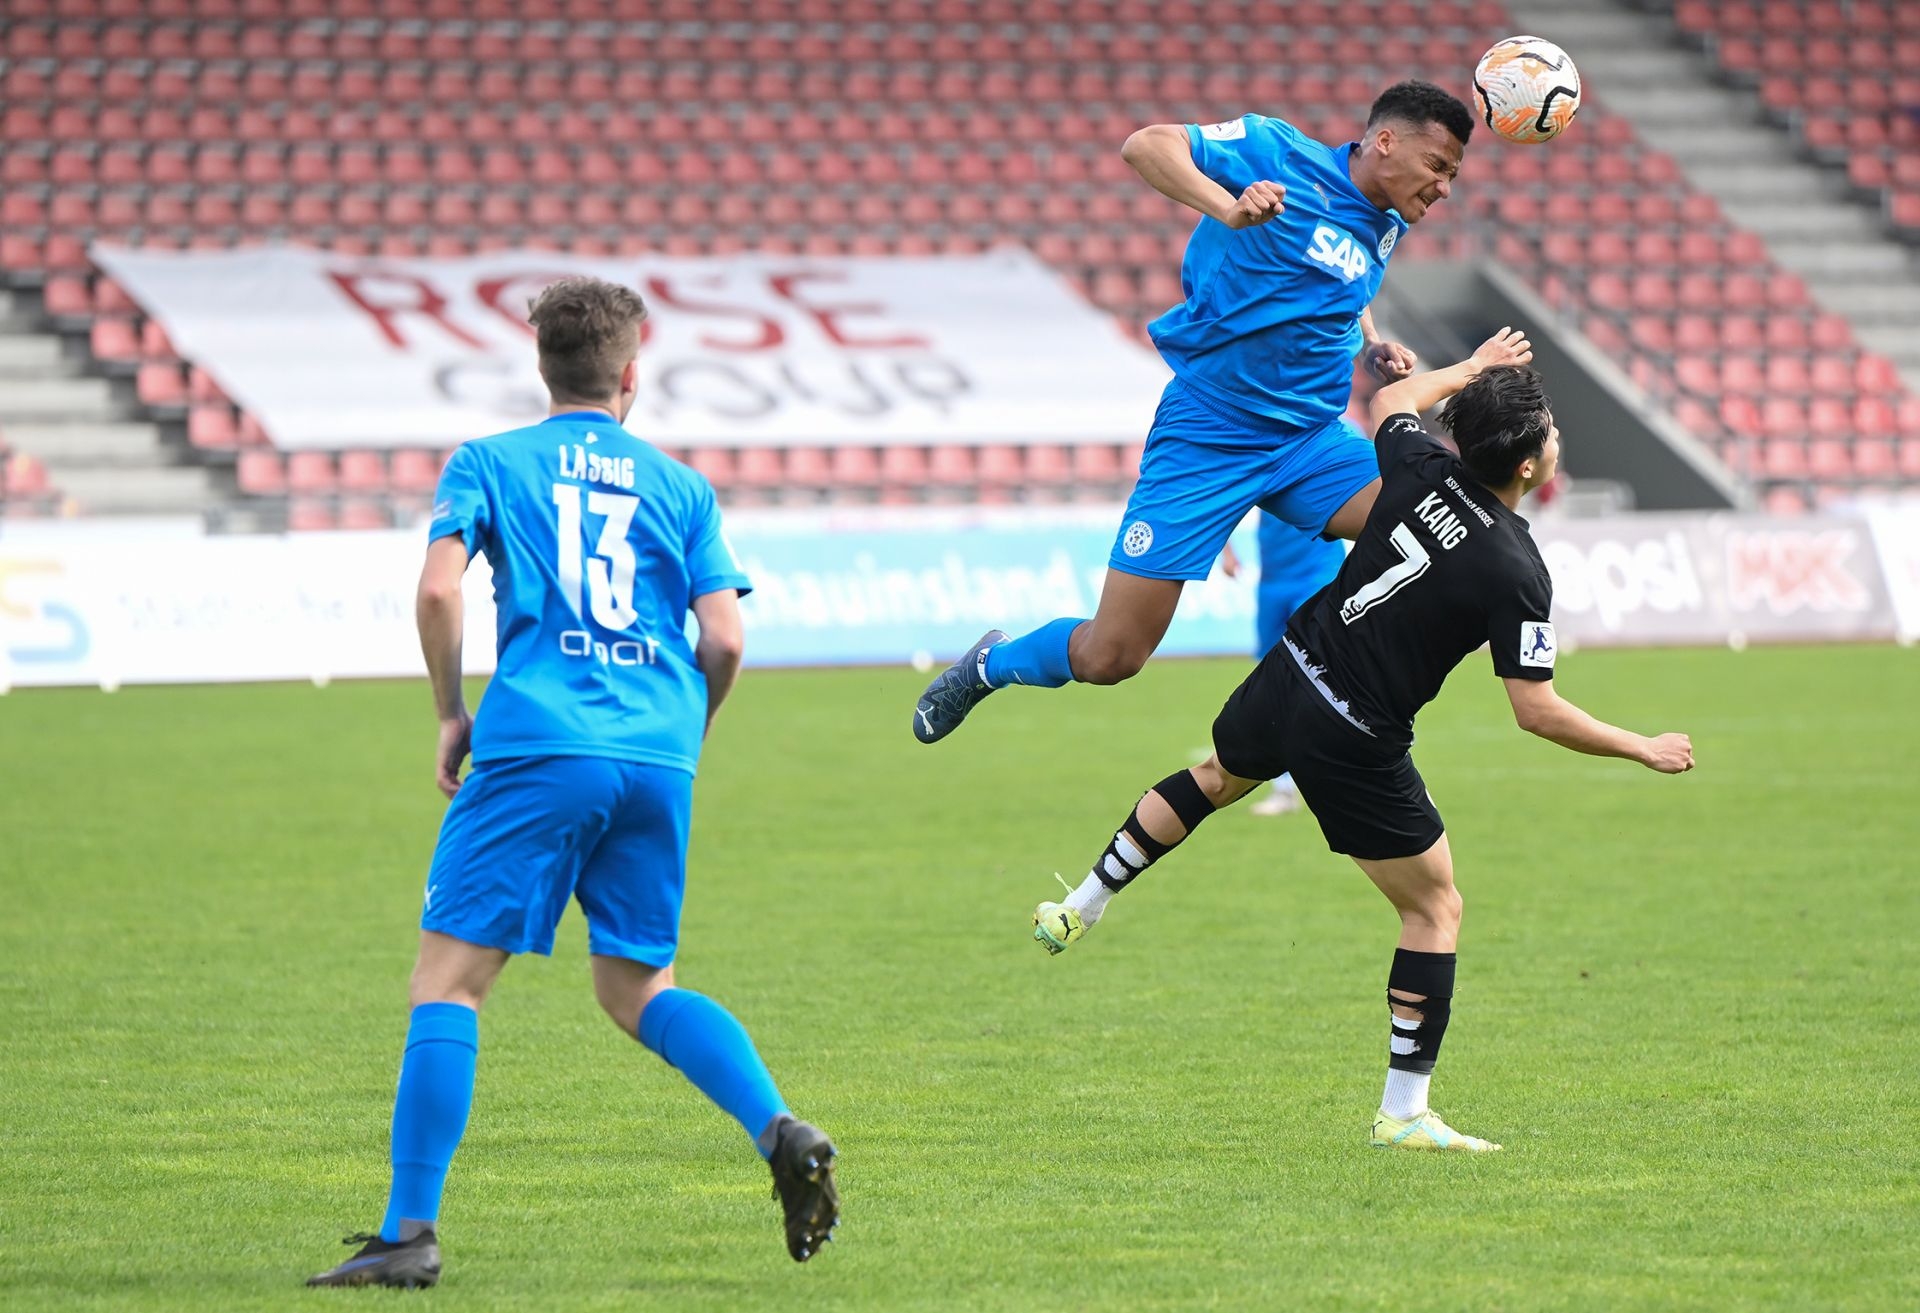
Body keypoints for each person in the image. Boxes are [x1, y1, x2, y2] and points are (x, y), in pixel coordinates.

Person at [1028, 329, 1695, 1153]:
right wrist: (1641, 746)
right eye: (1552, 432)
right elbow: (1537, 710)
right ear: (1529, 466)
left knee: (1213, 778)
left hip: (1294, 666)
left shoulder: (1419, 465)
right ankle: (1403, 1111)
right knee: (1434, 908)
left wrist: (1473, 368)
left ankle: (1080, 904)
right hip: (1355, 730)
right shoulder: (1517, 569)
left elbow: (1390, 399)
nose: (1557, 437)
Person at [307, 278, 838, 1289]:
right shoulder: (681, 486)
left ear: (542, 367)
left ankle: (408, 1232)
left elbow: (438, 588)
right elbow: (726, 636)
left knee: (448, 982)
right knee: (638, 986)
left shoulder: (489, 461)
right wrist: (685, 729)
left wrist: (450, 710)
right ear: (632, 373)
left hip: (539, 740)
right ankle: (778, 1126)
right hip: (657, 752)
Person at [912, 81, 1475, 745]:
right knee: (1111, 655)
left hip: (1310, 440)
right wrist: (1227, 206)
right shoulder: (1276, 151)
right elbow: (1145, 146)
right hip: (1211, 434)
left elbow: (1341, 285)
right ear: (1384, 142)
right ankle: (991, 664)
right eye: (1437, 166)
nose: (1444, 188)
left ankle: (1338, 697)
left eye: (1452, 174)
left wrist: (1371, 341)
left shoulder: (1385, 221)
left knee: (1437, 517)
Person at [1245, 515, 1346, 816]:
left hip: (1318, 573)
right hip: (1273, 578)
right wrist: (1227, 551)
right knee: (1272, 680)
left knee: (1325, 673)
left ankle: (1352, 769)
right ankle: (1284, 787)